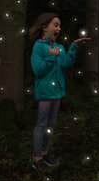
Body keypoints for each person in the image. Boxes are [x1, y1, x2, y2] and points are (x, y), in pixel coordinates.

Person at [28, 12, 91, 171]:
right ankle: (36, 159)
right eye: (55, 25)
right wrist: (50, 56)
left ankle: (44, 153)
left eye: (59, 25)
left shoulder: (60, 47)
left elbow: (66, 63)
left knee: (50, 125)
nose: (59, 28)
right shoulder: (38, 46)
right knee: (42, 124)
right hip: (44, 94)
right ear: (44, 27)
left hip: (57, 93)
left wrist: (74, 46)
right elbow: (38, 70)